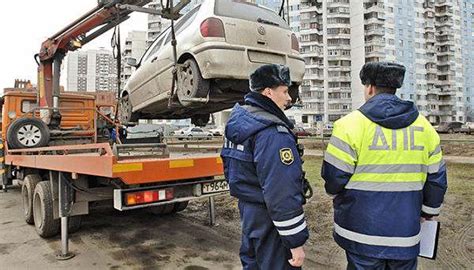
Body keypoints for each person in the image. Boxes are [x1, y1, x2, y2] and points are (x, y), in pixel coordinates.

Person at [321, 62, 447, 270]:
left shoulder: (349, 125)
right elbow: (437, 179)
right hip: (405, 233)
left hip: (360, 232)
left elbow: (334, 179)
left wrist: (337, 196)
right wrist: (428, 211)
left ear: (369, 87)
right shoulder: (424, 127)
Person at [221, 64, 309, 269]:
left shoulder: (240, 123)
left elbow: (229, 170)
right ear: (268, 92)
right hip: (271, 222)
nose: (289, 98)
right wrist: (295, 242)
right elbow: (281, 193)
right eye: (285, 91)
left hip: (250, 214)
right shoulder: (272, 132)